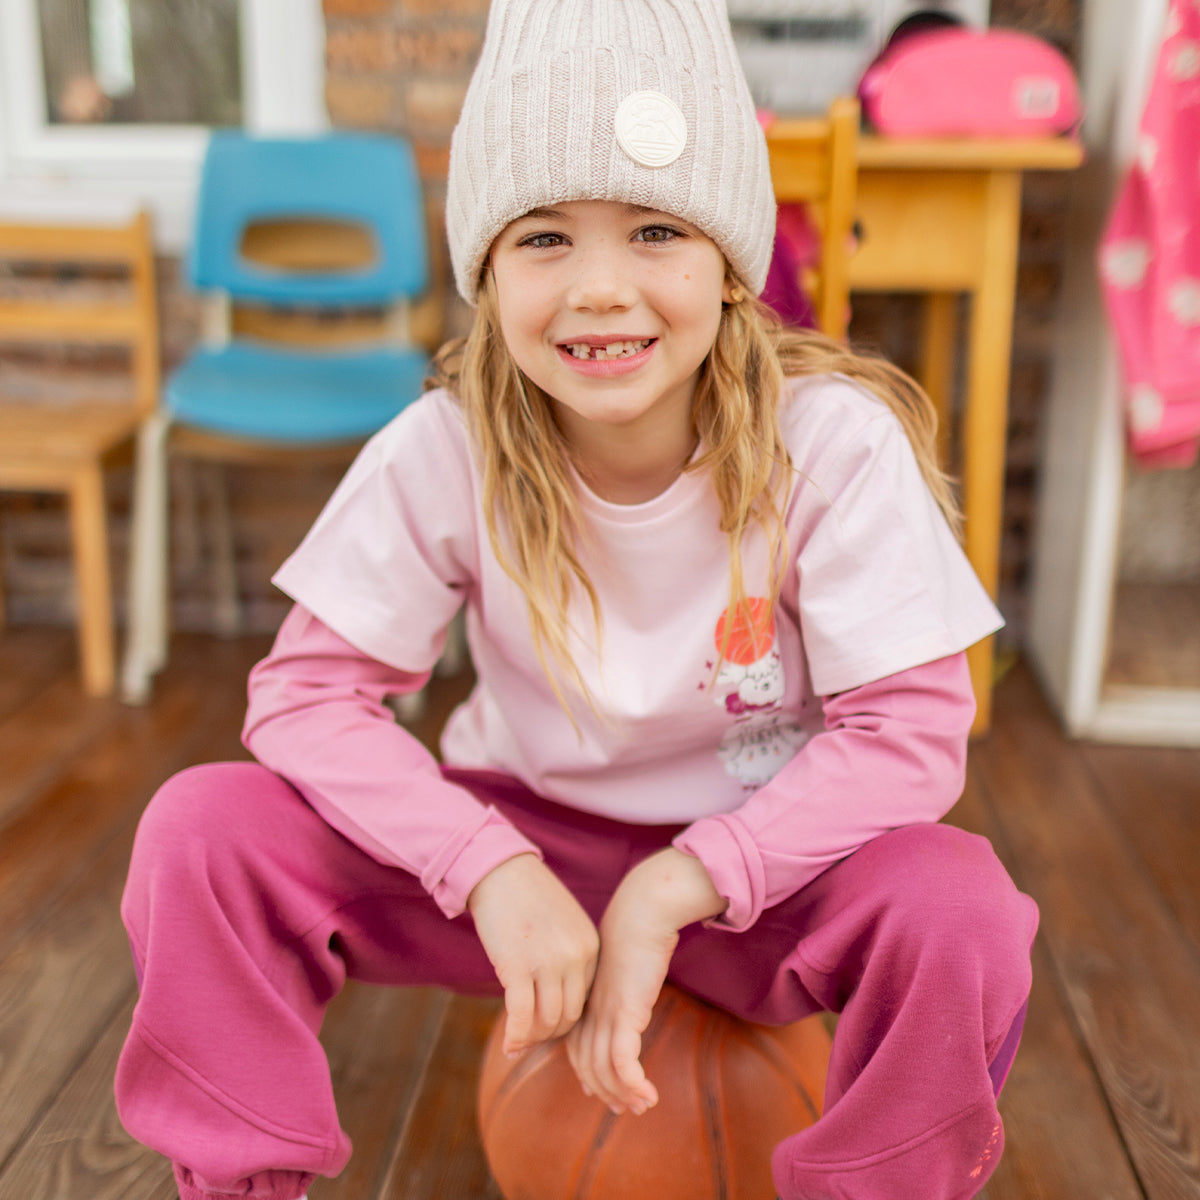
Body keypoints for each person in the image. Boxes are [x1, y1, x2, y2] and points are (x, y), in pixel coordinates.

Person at [114, 2, 1039, 1197]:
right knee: (200, 827)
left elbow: (910, 733)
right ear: (487, 269)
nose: (602, 290)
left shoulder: (833, 445)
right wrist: (488, 866)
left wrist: (682, 882)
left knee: (959, 905)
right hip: (525, 841)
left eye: (655, 229)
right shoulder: (442, 449)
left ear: (731, 262)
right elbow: (306, 700)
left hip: (759, 875)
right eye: (545, 239)